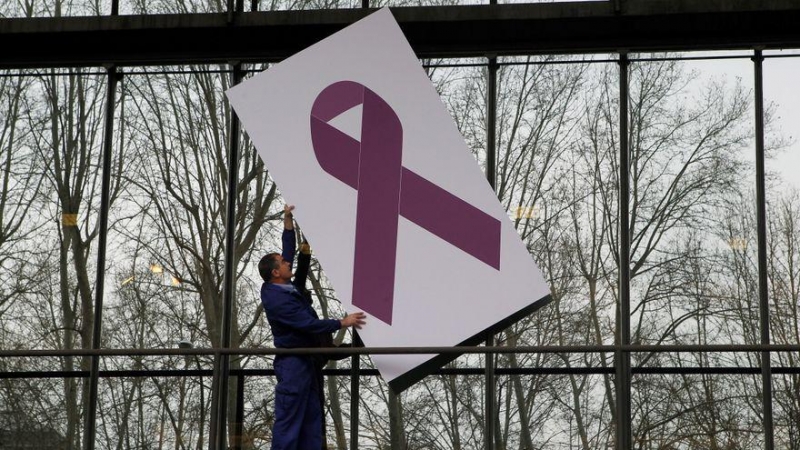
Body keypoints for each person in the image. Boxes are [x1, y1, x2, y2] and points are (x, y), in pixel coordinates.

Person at [259, 205, 366, 450]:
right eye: (284, 262)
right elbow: (308, 324)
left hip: (307, 362)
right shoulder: (278, 300)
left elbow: (288, 251)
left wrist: (288, 222)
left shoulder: (284, 285)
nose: (289, 261)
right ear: (276, 273)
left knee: (311, 420)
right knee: (290, 422)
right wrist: (343, 322)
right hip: (294, 363)